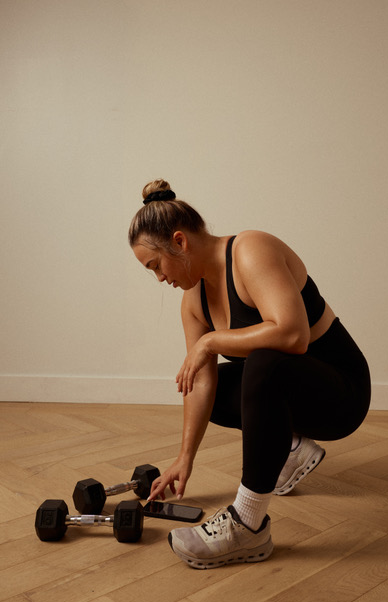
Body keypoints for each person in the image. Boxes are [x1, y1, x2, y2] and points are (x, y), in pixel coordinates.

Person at [128, 179, 371, 570]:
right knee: (211, 384)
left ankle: (248, 524)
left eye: (155, 265)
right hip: (295, 392)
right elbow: (200, 381)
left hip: (342, 394)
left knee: (263, 360)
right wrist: (184, 459)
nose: (159, 278)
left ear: (179, 241)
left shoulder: (250, 251)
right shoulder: (193, 301)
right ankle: (289, 447)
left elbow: (292, 335)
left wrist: (209, 343)